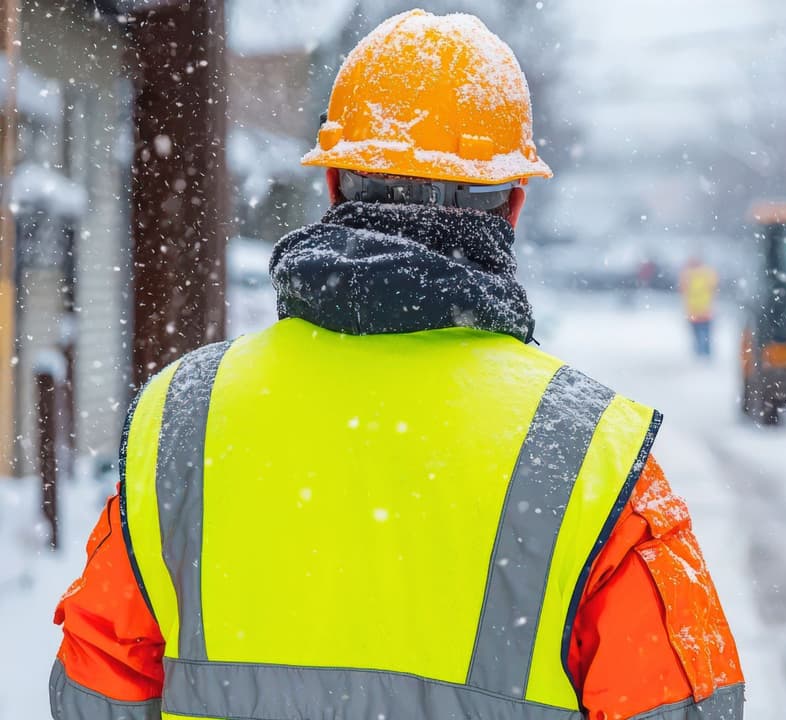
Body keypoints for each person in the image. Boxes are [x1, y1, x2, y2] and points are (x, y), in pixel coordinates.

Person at [48, 12, 744, 720]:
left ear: (334, 187)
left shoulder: (181, 416)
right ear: (514, 205)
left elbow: (93, 692)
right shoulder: (594, 456)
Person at [680, 256, 719, 358]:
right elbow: (714, 286)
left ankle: (700, 354)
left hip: (694, 310)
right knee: (705, 334)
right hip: (705, 310)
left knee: (698, 335)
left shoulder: (687, 274)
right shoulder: (708, 272)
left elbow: (683, 288)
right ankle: (705, 354)